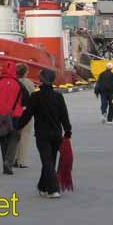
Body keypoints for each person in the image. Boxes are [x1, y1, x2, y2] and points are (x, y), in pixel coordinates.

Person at [16, 68, 71, 198]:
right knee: (50, 160)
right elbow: (64, 115)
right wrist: (68, 131)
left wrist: (17, 126)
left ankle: (53, 189)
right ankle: (42, 186)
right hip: (57, 134)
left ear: (41, 81)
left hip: (42, 135)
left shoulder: (35, 97)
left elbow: (27, 115)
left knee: (47, 161)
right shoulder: (58, 96)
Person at [0, 61, 28, 174]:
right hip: (16, 115)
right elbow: (26, 100)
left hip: (0, 114)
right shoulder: (19, 84)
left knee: (3, 139)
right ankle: (8, 162)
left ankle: (5, 162)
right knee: (14, 137)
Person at [14, 63, 36, 169]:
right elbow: (33, 97)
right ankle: (22, 160)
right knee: (24, 136)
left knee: (14, 136)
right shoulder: (29, 83)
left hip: (13, 112)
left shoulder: (13, 82)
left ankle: (13, 158)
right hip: (26, 111)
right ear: (25, 72)